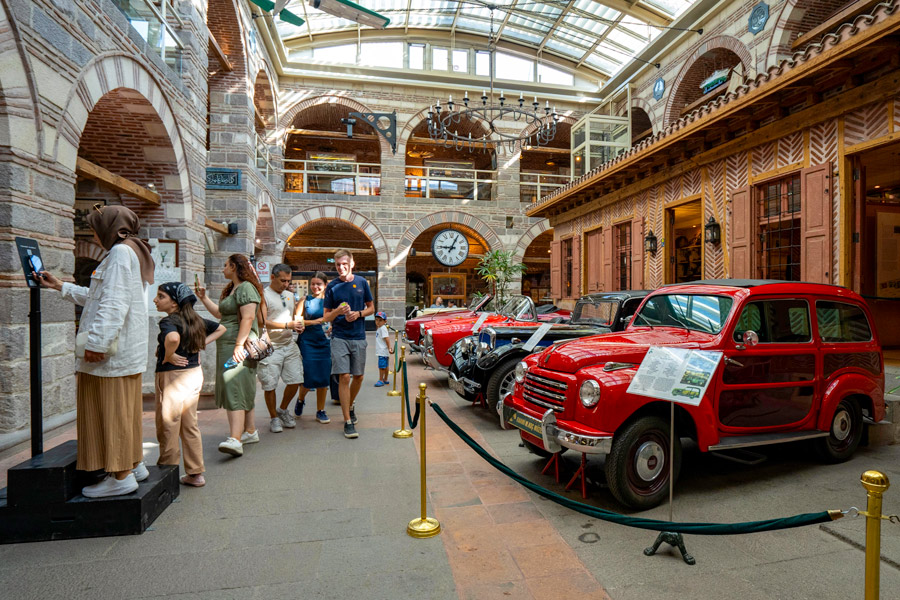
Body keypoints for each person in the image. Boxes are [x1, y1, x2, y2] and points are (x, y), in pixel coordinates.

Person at [38, 204, 154, 498]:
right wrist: (61, 286)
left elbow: (114, 303)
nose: (93, 232)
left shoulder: (119, 254)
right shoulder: (132, 251)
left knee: (111, 413)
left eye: (95, 226)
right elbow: (100, 296)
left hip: (111, 356)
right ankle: (133, 464)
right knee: (124, 412)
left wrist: (96, 344)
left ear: (110, 228)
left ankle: (121, 476)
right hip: (126, 353)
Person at [152, 282, 225, 487]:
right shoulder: (195, 319)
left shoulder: (169, 321)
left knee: (168, 425)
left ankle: (168, 476)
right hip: (193, 374)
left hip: (173, 377)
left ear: (174, 303)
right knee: (189, 425)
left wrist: (168, 355)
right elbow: (221, 329)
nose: (156, 300)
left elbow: (173, 338)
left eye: (161, 296)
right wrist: (201, 345)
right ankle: (195, 473)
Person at [196, 254, 265, 457]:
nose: (223, 269)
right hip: (228, 343)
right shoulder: (233, 289)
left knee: (233, 384)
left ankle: (235, 439)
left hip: (238, 343)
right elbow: (220, 314)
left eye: (225, 265)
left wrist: (238, 345)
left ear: (234, 267)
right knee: (241, 386)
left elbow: (249, 317)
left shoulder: (245, 288)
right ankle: (249, 431)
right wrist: (203, 297)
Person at [323, 249, 374, 439]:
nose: (341, 268)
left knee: (358, 377)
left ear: (352, 263)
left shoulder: (361, 282)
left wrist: (358, 314)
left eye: (344, 264)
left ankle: (350, 404)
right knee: (344, 376)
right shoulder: (332, 287)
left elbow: (371, 308)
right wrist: (337, 312)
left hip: (359, 336)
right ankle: (347, 420)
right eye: (337, 265)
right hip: (339, 336)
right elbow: (326, 316)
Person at [258, 264, 304, 433]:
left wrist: (297, 326)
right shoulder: (264, 295)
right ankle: (273, 418)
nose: (285, 284)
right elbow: (261, 321)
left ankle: (282, 409)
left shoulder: (290, 295)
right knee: (270, 384)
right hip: (270, 346)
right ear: (272, 277)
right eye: (282, 280)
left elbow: (292, 318)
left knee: (296, 379)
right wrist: (287, 324)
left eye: (288, 281)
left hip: (289, 343)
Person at [294, 272, 331, 424]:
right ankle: (301, 399)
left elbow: (332, 318)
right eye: (313, 284)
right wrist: (314, 322)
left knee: (323, 376)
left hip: (324, 341)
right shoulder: (305, 300)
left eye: (319, 284)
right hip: (308, 342)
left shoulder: (330, 302)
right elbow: (297, 321)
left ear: (325, 286)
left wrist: (331, 325)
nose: (315, 287)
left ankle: (320, 411)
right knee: (308, 375)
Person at [373, 311, 393, 387]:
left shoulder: (382, 328)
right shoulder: (380, 328)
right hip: (383, 351)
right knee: (386, 366)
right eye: (376, 320)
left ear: (385, 321)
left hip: (382, 351)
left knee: (381, 367)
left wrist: (389, 348)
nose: (378, 322)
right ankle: (385, 379)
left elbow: (387, 339)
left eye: (380, 320)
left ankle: (381, 380)